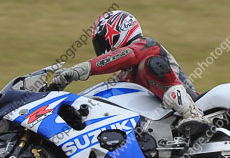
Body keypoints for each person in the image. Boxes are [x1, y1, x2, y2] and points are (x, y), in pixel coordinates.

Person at [52, 10, 210, 137]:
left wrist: (79, 70)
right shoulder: (123, 75)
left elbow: (127, 55)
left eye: (102, 41)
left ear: (118, 32)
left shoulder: (146, 45)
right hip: (160, 120)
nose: (102, 49)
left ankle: (192, 114)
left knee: (149, 65)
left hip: (191, 102)